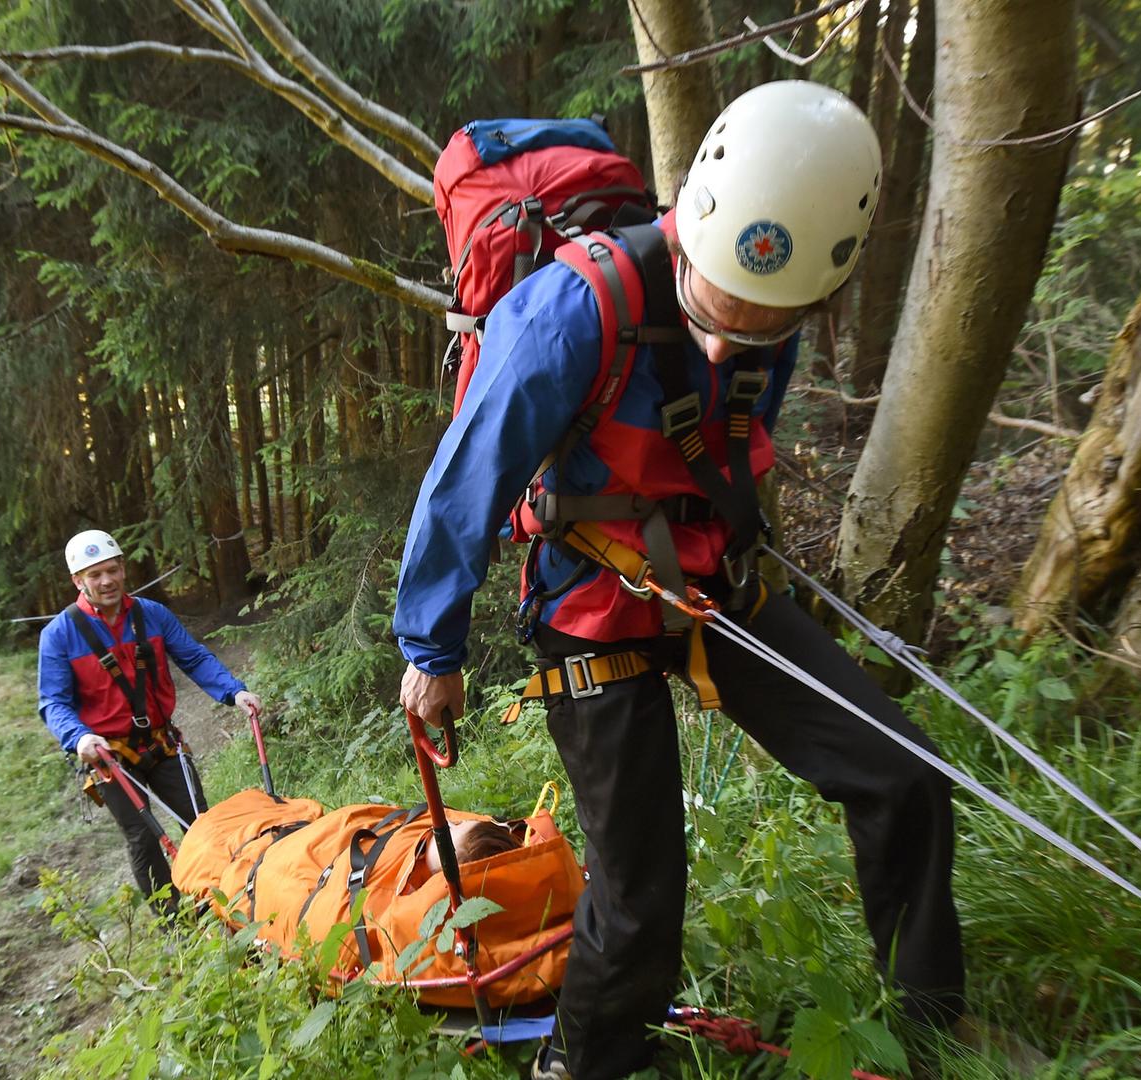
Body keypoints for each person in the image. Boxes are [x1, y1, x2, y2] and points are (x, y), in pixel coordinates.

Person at [394, 82, 965, 1079]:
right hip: (589, 605)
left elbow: (732, 445)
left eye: (758, 325)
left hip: (714, 585)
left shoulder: (779, 297)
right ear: (691, 226)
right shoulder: (572, 308)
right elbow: (466, 478)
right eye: (714, 304)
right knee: (642, 878)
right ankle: (584, 1062)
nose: (723, 338)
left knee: (903, 776)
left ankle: (930, 1035)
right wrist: (431, 650)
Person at [37, 528, 261, 910]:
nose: (106, 580)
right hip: (110, 754)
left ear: (123, 569)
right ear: (78, 580)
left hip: (161, 741)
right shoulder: (59, 635)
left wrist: (233, 691)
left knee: (199, 824)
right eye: (95, 574)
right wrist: (78, 738)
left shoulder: (151, 615)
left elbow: (193, 657)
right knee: (143, 837)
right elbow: (53, 702)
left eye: (111, 570)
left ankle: (219, 904)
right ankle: (174, 923)